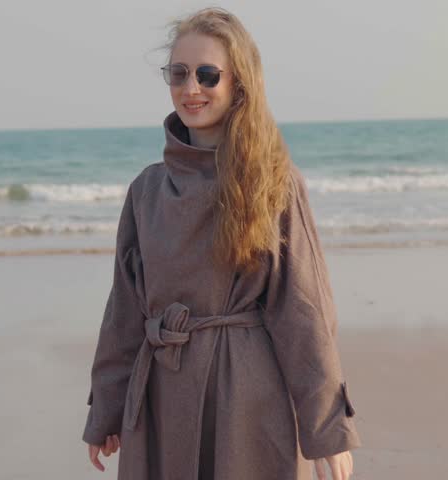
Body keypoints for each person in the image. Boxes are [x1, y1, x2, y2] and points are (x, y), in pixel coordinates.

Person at [82, 7, 361, 480]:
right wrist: (105, 409)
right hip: (160, 394)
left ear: (238, 84)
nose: (192, 88)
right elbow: (124, 312)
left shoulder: (272, 182)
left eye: (208, 74)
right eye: (180, 73)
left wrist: (326, 430)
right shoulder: (146, 191)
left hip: (245, 397)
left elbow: (303, 308)